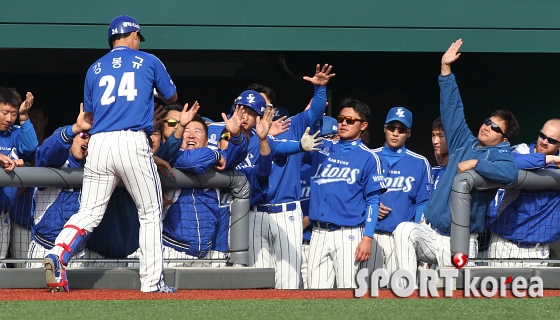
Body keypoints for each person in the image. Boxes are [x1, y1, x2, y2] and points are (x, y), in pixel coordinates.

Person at [43, 15, 178, 293]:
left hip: (99, 143)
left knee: (89, 212)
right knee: (151, 212)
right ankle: (152, 283)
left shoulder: (94, 68)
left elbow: (90, 114)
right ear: (135, 35)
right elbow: (172, 96)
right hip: (132, 140)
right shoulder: (149, 60)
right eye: (138, 37)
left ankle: (58, 253)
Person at [393, 39, 520, 286]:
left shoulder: (502, 155)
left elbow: (510, 174)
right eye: (487, 121)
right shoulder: (464, 141)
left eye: (494, 126)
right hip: (430, 231)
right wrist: (446, 69)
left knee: (452, 297)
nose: (487, 126)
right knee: (404, 231)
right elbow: (452, 108)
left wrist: (475, 164)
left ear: (503, 138)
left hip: (460, 241)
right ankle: (406, 290)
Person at [250, 64, 335, 289]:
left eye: (265, 104)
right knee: (257, 285)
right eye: (256, 105)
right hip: (256, 213)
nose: (261, 109)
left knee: (288, 283)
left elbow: (316, 112)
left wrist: (319, 89)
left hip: (286, 212)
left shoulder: (291, 125)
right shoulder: (246, 135)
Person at [307, 98, 386, 289]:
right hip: (318, 232)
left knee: (348, 294)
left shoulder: (369, 157)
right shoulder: (321, 147)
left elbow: (373, 201)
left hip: (348, 234)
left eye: (350, 120)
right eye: (341, 118)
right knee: (314, 297)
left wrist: (367, 238)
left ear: (363, 125)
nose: (343, 123)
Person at [486, 119, 560, 266]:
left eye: (551, 140)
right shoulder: (521, 150)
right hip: (504, 245)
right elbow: (512, 163)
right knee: (497, 289)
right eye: (542, 136)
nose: (544, 142)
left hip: (538, 251)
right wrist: (549, 159)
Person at [370, 107, 431, 277]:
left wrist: (418, 233)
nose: (395, 133)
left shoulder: (419, 162)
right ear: (384, 129)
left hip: (402, 238)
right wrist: (371, 206)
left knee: (401, 291)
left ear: (408, 134)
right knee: (369, 292)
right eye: (392, 128)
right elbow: (355, 194)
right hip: (372, 235)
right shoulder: (369, 157)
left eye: (401, 129)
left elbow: (423, 201)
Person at [0, 88, 38, 268]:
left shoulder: (13, 133)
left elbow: (31, 147)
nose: (9, 119)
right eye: (4, 113)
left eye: (13, 114)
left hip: (4, 214)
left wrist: (24, 117)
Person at [300, 116, 338, 289]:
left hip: (324, 235)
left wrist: (308, 218)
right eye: (318, 138)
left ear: (336, 137)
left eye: (326, 137)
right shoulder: (304, 167)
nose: (321, 143)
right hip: (301, 241)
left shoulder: (341, 170)